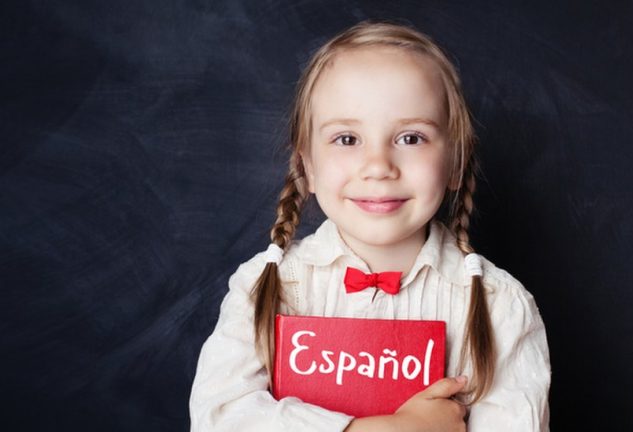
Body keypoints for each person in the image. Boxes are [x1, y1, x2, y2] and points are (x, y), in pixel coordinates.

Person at [189, 20, 550, 431]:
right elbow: (219, 418)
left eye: (411, 138)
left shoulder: (500, 306)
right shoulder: (265, 287)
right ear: (305, 164)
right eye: (347, 139)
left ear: (454, 162)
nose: (378, 167)